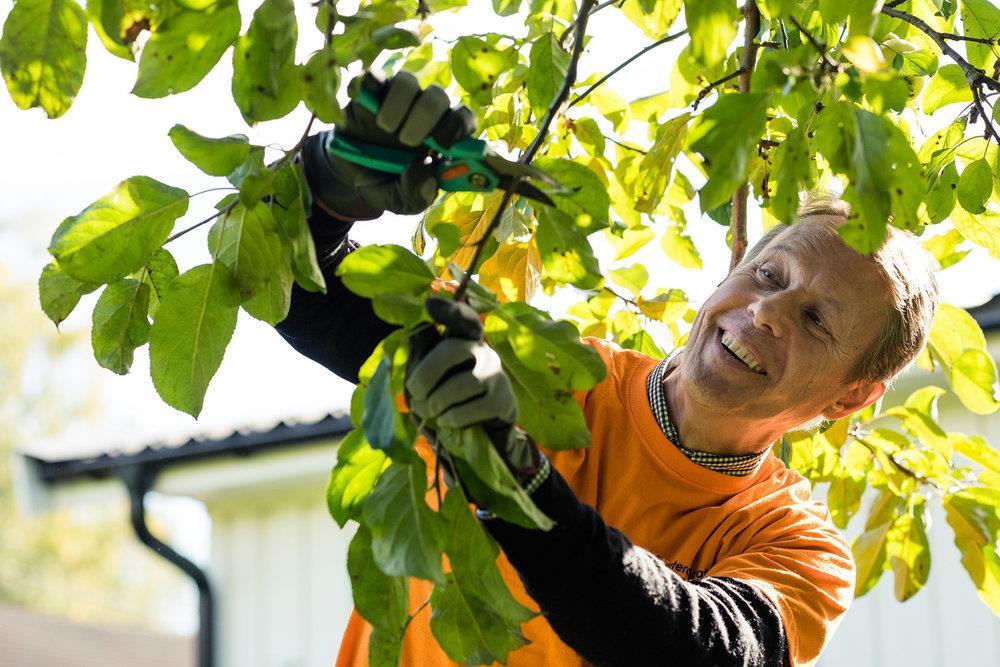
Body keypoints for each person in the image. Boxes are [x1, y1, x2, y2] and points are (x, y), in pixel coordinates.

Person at [275, 72, 939, 666]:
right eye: (768, 274)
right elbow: (299, 293)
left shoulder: (799, 550)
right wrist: (328, 188)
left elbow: (695, 651)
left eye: (818, 320)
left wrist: (515, 475)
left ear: (851, 398)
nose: (768, 311)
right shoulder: (545, 371)